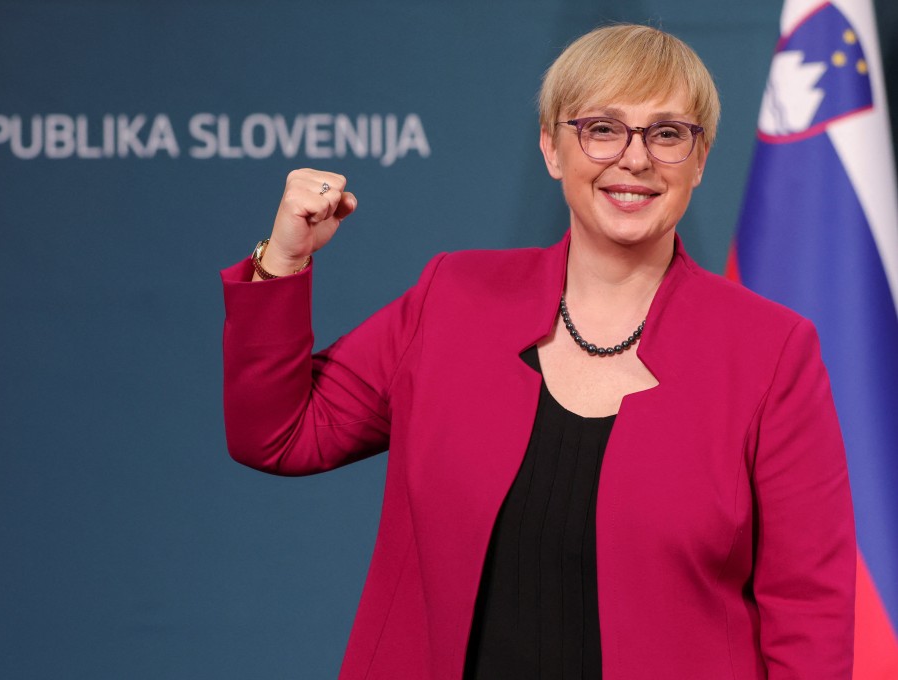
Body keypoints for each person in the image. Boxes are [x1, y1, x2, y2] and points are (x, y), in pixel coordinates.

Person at [221, 24, 855, 680]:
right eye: (602, 128)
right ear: (553, 148)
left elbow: (809, 610)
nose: (635, 159)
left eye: (667, 134)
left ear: (699, 159)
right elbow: (279, 434)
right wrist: (284, 263)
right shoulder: (453, 299)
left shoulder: (771, 352)